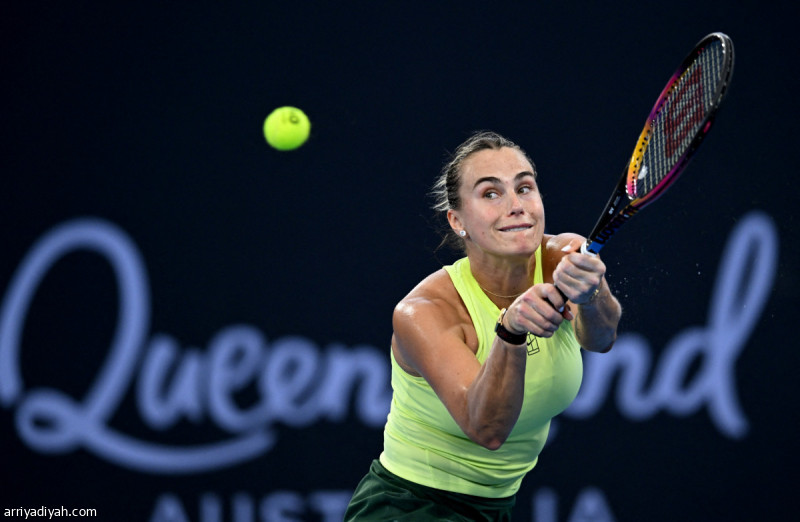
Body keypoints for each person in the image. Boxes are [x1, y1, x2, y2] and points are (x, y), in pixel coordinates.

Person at [344, 131, 622, 521]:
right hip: (410, 507)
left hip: (496, 506)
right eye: (491, 194)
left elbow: (601, 338)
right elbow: (487, 430)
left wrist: (592, 294)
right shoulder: (424, 312)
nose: (516, 206)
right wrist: (510, 333)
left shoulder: (562, 257)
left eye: (524, 188)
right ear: (457, 221)